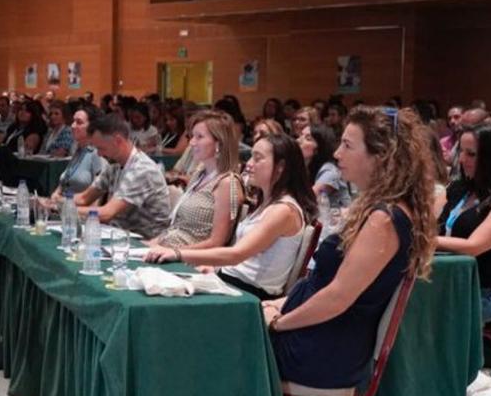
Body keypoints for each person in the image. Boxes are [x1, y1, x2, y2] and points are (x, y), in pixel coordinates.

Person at [263, 106, 437, 390]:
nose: (336, 154)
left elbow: (337, 298)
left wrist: (278, 324)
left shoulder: (385, 220)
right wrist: (280, 306)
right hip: (315, 333)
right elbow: (323, 284)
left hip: (322, 348)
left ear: (381, 156)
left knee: (218, 339)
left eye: (347, 145)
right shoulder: (379, 210)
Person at [146, 133, 316, 300]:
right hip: (230, 280)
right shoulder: (266, 204)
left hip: (248, 294)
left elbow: (237, 254)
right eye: (250, 157)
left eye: (258, 158)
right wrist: (214, 268)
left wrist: (177, 253)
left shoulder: (284, 210)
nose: (249, 164)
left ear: (281, 167)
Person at [437, 125, 491, 322]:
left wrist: (426, 240)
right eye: (461, 151)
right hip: (447, 278)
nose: (461, 159)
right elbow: (426, 220)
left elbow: (473, 247)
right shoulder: (461, 188)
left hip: (482, 293)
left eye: (471, 154)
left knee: (408, 308)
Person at [150, 110, 243, 249]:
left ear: (219, 143)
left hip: (187, 260)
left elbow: (216, 243)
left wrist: (173, 252)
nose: (192, 142)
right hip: (167, 247)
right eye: (192, 136)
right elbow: (177, 228)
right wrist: (149, 246)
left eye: (199, 137)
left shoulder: (227, 183)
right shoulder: (199, 174)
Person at [74, 113, 170, 238]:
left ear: (118, 141)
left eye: (101, 148)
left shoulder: (142, 169)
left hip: (145, 243)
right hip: (120, 236)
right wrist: (55, 203)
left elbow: (107, 213)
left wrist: (68, 209)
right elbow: (84, 198)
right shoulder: (114, 165)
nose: (99, 154)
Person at [48, 105, 105, 199]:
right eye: (73, 121)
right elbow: (63, 184)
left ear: (93, 127)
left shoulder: (97, 154)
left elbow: (98, 198)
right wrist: (54, 197)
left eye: (79, 122)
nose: (73, 125)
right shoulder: (79, 151)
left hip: (80, 211)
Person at [298, 124, 351, 209]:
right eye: (300, 136)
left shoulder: (330, 171)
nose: (298, 140)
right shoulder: (305, 168)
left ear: (319, 148)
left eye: (307, 139)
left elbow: (308, 200)